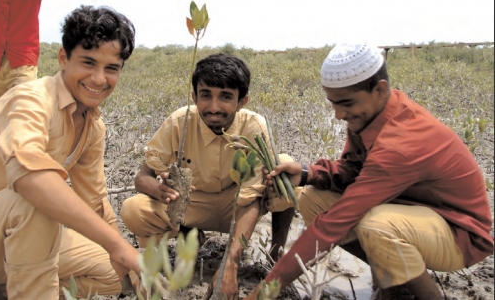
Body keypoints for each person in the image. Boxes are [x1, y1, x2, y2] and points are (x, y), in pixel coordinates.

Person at [0, 5, 141, 299]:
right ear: (63, 58)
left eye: (111, 68)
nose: (99, 79)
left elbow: (94, 201)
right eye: (88, 63)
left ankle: (6, 289)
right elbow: (30, 179)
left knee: (116, 275)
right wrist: (117, 245)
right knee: (35, 198)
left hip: (22, 236)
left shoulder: (92, 126)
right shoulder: (31, 98)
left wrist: (120, 250)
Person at [244, 43, 494, 300]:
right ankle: (396, 280)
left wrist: (264, 292)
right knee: (312, 199)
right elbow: (353, 169)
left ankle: (422, 294)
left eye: (346, 103)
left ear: (380, 89)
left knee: (377, 226)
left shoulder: (401, 142)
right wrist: (307, 173)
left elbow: (334, 224)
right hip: (409, 211)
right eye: (333, 103)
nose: (339, 114)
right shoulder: (373, 112)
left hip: (459, 233)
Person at [121, 54, 297, 300]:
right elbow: (142, 177)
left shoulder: (254, 126)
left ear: (242, 100)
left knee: (285, 168)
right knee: (132, 209)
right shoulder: (179, 122)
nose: (213, 107)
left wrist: (230, 265)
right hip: (192, 205)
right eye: (205, 95)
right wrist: (157, 189)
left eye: (225, 97)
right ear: (194, 97)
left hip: (237, 207)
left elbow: (251, 197)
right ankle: (190, 237)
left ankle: (275, 255)